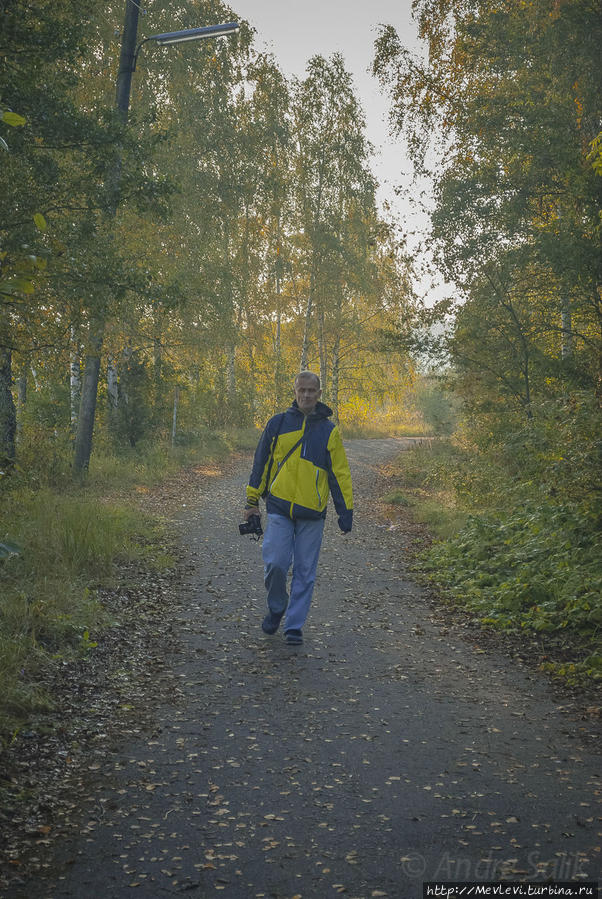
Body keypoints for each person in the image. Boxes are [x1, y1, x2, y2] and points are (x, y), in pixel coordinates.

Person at [243, 370, 353, 645]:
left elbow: (339, 474)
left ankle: (294, 625)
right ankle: (277, 607)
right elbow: (261, 464)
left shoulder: (329, 431)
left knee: (305, 571)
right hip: (279, 508)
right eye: (301, 390)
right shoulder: (278, 424)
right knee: (276, 564)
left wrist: (345, 511)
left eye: (311, 391)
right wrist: (251, 501)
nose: (306, 395)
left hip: (312, 515)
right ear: (294, 392)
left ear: (318, 394)